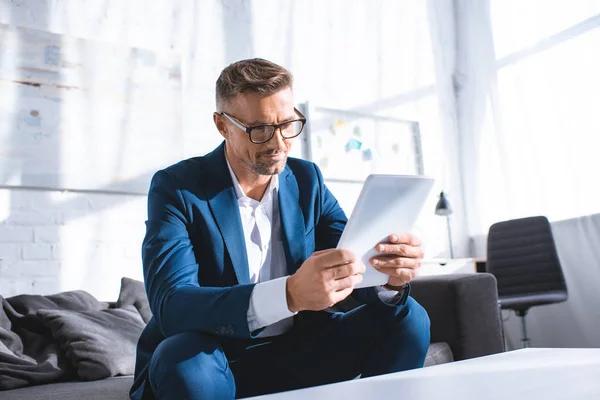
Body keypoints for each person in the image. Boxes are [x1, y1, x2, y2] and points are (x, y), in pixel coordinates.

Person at [130, 58, 430, 400]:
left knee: (408, 318)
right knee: (183, 359)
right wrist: (288, 295)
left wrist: (387, 277)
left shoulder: (307, 180)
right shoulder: (178, 188)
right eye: (259, 129)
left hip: (299, 352)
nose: (278, 143)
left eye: (287, 124)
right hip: (217, 360)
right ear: (222, 125)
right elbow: (172, 305)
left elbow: (350, 262)